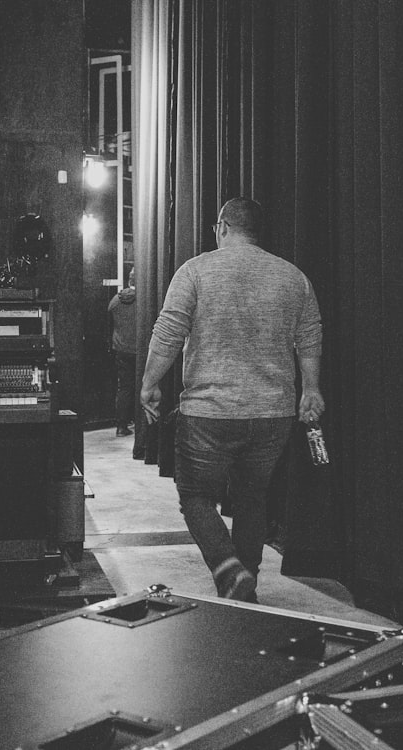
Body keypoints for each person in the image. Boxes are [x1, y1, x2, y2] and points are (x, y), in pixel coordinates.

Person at [140, 198, 325, 602]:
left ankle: (228, 569)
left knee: (195, 496)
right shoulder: (294, 278)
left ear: (222, 226)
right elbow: (309, 336)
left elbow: (169, 331)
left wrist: (150, 382)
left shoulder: (195, 271)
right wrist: (311, 389)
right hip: (273, 412)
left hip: (210, 413)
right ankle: (246, 583)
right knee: (253, 497)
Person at [109, 267, 137, 437]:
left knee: (124, 388)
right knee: (142, 386)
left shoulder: (114, 301)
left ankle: (121, 426)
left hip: (121, 350)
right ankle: (141, 426)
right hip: (140, 350)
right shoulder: (144, 300)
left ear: (128, 280)